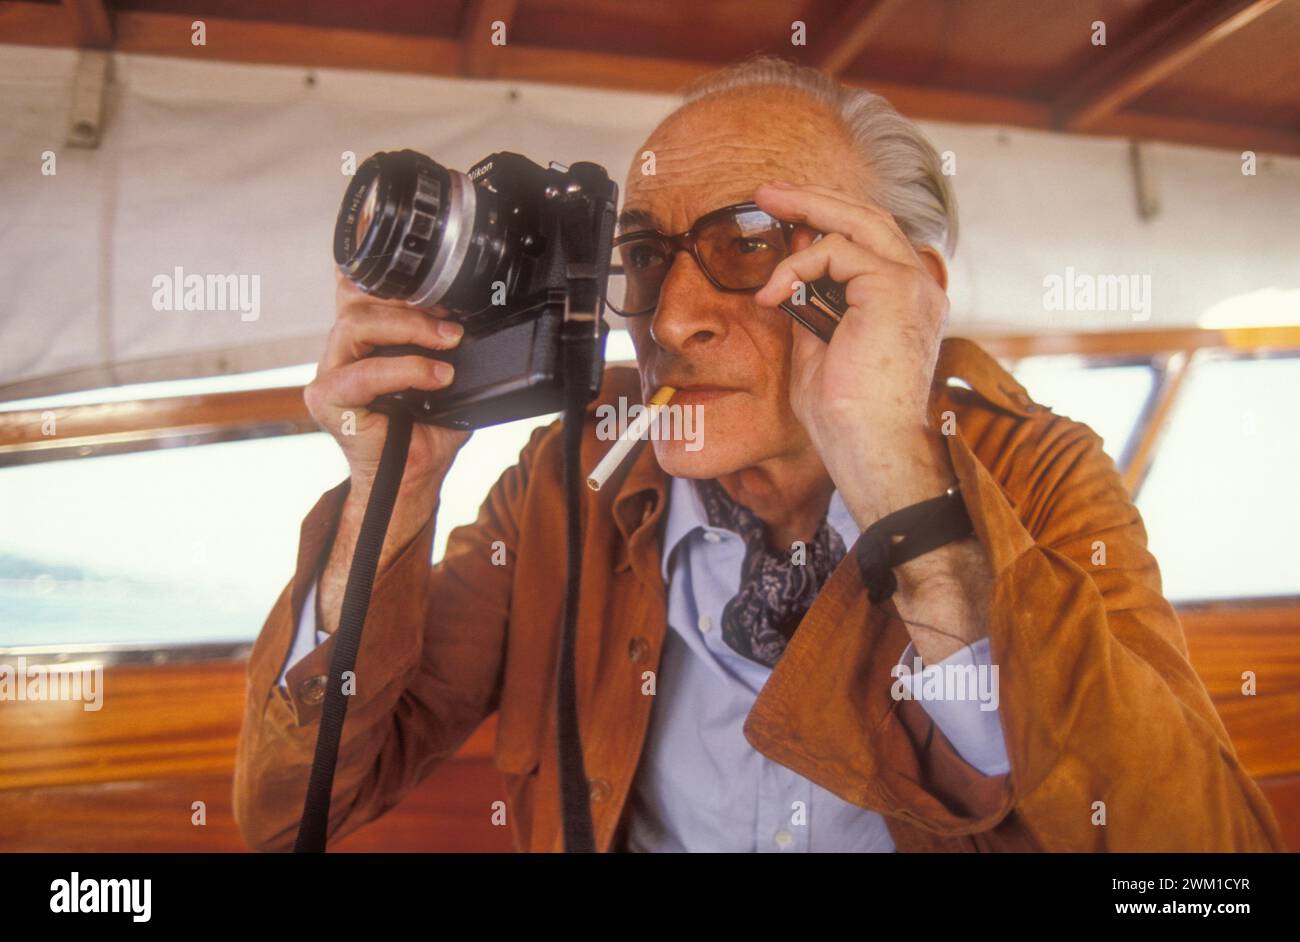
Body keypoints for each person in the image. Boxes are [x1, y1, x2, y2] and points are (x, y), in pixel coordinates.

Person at [233, 56, 1283, 852]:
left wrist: (895, 474)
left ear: (902, 287)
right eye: (643, 257)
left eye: (749, 242)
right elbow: (294, 810)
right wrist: (395, 489)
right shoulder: (566, 486)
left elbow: (1200, 869)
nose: (673, 317)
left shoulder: (1035, 475)